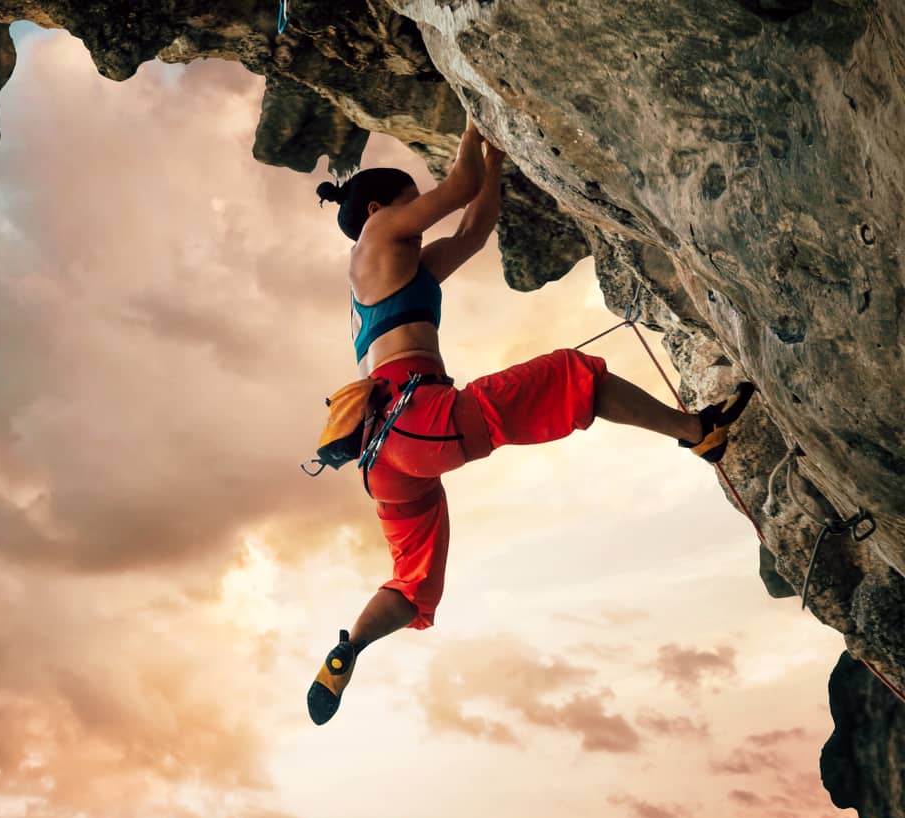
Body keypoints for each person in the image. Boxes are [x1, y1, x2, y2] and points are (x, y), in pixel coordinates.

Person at [306, 118, 755, 725]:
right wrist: (471, 119)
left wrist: (493, 164)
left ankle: (349, 647)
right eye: (413, 200)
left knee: (412, 585)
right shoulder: (378, 233)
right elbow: (458, 187)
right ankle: (697, 433)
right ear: (382, 207)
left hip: (385, 461)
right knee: (575, 377)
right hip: (419, 421)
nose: (419, 210)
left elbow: (473, 227)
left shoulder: (395, 276)